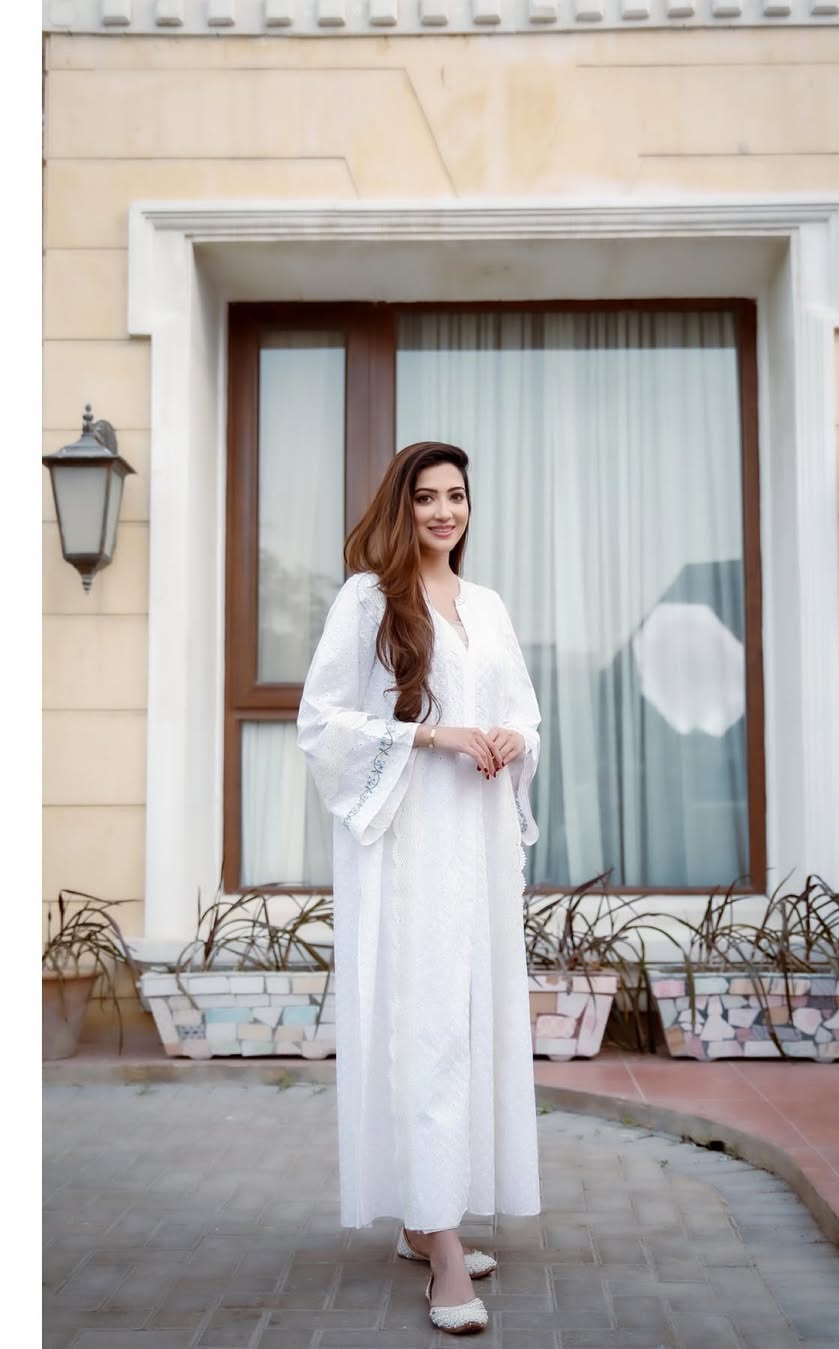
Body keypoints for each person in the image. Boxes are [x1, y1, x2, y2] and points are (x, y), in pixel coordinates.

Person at [296, 441, 542, 1335]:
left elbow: (522, 709)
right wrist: (433, 736)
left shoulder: (488, 606)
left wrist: (513, 738)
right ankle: (442, 1251)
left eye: (457, 496)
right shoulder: (368, 600)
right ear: (402, 508)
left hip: (477, 849)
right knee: (427, 1029)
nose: (444, 511)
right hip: (408, 852)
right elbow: (321, 720)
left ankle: (424, 1215)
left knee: (467, 1028)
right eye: (428, 496)